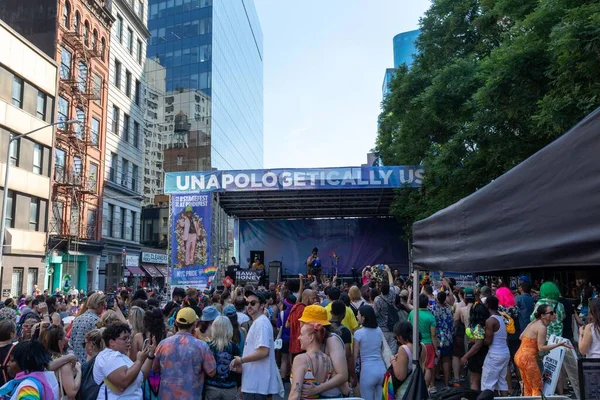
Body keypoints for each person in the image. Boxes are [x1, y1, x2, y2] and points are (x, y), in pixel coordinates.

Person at [153, 307, 216, 399]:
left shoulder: (163, 344)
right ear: (194, 324)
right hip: (191, 396)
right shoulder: (201, 346)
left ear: (176, 322)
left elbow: (155, 369)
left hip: (167, 396)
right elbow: (211, 372)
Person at [230, 290, 280, 399]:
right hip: (255, 383)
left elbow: (263, 351)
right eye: (247, 303)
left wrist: (241, 360)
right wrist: (243, 367)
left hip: (257, 385)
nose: (249, 306)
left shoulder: (261, 323)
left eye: (253, 303)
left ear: (262, 305)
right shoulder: (258, 322)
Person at [515, 304, 572, 396]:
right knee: (537, 388)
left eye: (554, 312)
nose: (554, 314)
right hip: (528, 359)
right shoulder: (542, 327)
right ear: (543, 315)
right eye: (551, 313)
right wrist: (559, 344)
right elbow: (541, 348)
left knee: (528, 387)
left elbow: (521, 337)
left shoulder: (533, 322)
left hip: (519, 356)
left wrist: (531, 343)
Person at [296, 305, 349, 398]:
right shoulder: (317, 340)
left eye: (304, 322)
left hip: (332, 397)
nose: (301, 324)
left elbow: (343, 375)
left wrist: (317, 389)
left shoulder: (332, 340)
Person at [93, 321, 156, 399]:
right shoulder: (108, 356)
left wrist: (150, 355)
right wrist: (139, 361)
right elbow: (124, 381)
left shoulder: (121, 356)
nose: (128, 340)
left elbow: (140, 376)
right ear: (112, 342)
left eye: (129, 337)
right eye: (124, 338)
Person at [288, 319, 335, 400]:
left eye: (301, 334)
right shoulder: (328, 360)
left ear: (311, 337)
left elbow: (295, 395)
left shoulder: (301, 359)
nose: (299, 338)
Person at [40, 324, 82, 398]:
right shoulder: (64, 364)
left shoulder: (43, 359)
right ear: (60, 342)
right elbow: (71, 392)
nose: (67, 339)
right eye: (65, 336)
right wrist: (79, 372)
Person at [387, 321, 426, 398]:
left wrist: (393, 360)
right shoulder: (422, 346)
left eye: (396, 337)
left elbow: (400, 376)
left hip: (406, 391)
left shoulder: (403, 349)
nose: (397, 340)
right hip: (419, 388)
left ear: (400, 336)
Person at [354, 305, 385, 400]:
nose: (356, 316)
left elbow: (355, 355)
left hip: (367, 371)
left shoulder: (358, 333)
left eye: (358, 314)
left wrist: (352, 374)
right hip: (381, 369)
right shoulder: (379, 330)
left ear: (363, 317)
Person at [408, 294, 439, 394]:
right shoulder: (431, 317)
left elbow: (408, 326)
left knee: (416, 365)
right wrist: (436, 349)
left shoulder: (412, 313)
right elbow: (433, 335)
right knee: (428, 367)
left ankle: (416, 387)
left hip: (415, 343)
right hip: (428, 344)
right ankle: (425, 387)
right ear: (427, 304)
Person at [205, 316, 240, 400]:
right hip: (230, 388)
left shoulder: (208, 346)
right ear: (229, 329)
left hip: (211, 387)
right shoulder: (234, 346)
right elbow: (239, 367)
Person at [481, 296, 510, 396]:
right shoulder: (501, 317)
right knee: (502, 382)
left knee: (487, 383)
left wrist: (478, 338)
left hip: (495, 354)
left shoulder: (490, 321)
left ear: (487, 305)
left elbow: (488, 341)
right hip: (505, 352)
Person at [70, 292, 106, 364]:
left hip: (76, 360)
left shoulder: (77, 319)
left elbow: (72, 341)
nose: (103, 308)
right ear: (99, 305)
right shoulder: (97, 321)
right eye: (103, 305)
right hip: (90, 361)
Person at [461, 302, 490, 391]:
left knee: (474, 381)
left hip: (477, 355)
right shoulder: (487, 324)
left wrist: (465, 356)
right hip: (486, 353)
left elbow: (478, 344)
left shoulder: (478, 327)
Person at [373, 266, 400, 353]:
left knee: (383, 354)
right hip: (392, 328)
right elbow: (392, 284)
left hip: (382, 330)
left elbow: (375, 314)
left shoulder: (377, 300)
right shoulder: (393, 294)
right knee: (392, 354)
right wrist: (389, 271)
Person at [431, 290, 454, 388]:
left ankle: (432, 384)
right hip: (447, 338)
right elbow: (451, 323)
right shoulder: (449, 309)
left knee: (435, 360)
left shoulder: (433, 309)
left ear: (437, 298)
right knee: (446, 360)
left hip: (436, 337)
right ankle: (446, 383)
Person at [329, 300, 355, 387]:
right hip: (340, 370)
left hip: (325, 369)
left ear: (331, 312)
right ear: (344, 315)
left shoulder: (324, 328)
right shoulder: (345, 331)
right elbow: (348, 355)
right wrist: (353, 375)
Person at [287, 289, 318, 360]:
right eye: (313, 298)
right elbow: (302, 327)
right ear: (307, 299)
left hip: (293, 344)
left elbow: (287, 325)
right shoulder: (306, 310)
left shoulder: (295, 307)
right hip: (303, 345)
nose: (315, 300)